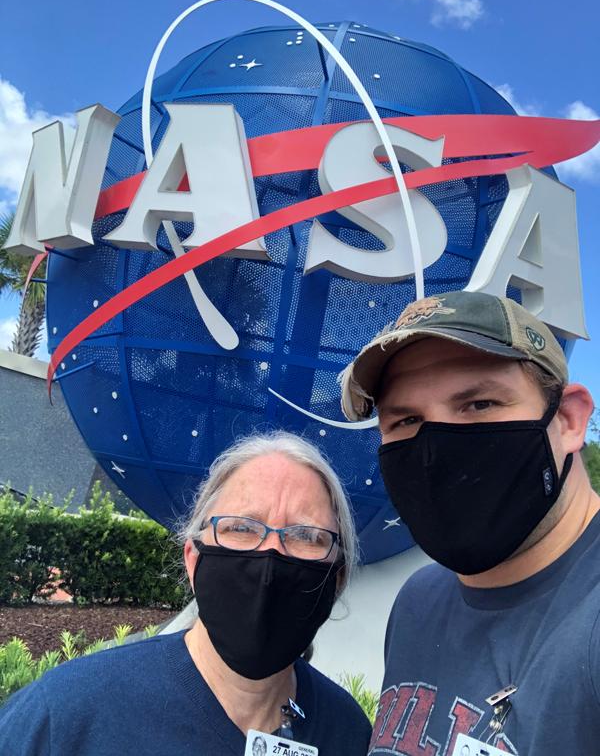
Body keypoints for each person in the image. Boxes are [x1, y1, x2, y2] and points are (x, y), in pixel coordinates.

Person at [340, 290, 600, 756]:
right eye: (406, 420)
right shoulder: (419, 601)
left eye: (478, 405)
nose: (436, 448)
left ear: (567, 420)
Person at [0, 431, 372, 755]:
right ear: (194, 560)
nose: (270, 556)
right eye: (240, 528)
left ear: (336, 579)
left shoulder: (349, 734)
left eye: (306, 536)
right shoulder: (68, 713)